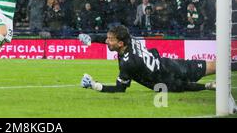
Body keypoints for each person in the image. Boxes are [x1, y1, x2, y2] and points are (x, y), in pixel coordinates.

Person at [77, 25, 233, 93]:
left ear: (120, 43)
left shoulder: (128, 63)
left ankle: (208, 86)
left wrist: (94, 85)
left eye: (110, 40)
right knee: (215, 66)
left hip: (167, 78)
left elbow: (120, 89)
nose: (106, 41)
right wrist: (91, 38)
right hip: (169, 63)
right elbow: (107, 37)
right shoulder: (128, 40)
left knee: (186, 85)